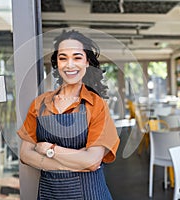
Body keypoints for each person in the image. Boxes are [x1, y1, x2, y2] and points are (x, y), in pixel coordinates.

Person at [17, 30, 120, 200]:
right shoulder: (39, 104)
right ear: (57, 63)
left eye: (77, 57)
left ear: (87, 62)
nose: (69, 65)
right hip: (50, 195)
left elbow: (93, 161)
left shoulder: (96, 105)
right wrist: (76, 161)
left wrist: (50, 150)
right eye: (63, 58)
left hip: (91, 194)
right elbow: (25, 154)